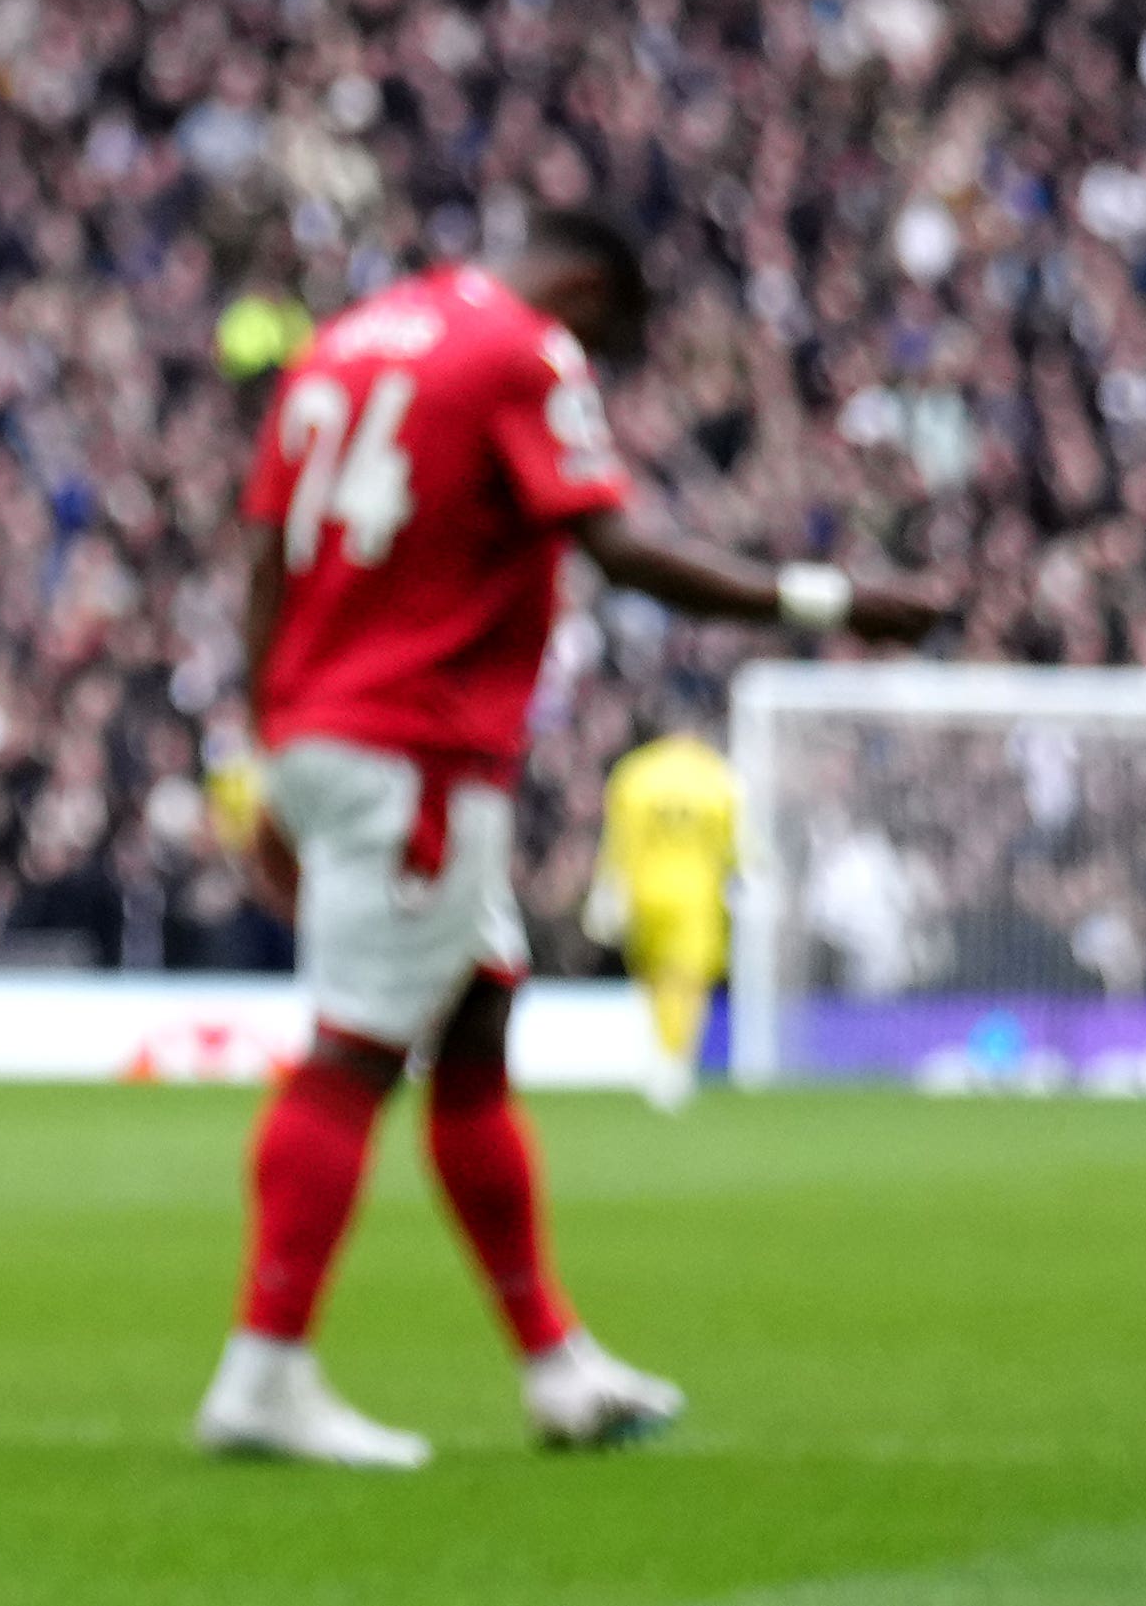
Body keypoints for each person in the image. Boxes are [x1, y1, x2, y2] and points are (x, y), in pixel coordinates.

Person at [200, 208, 943, 1471]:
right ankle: (263, 1368)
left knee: (475, 1021)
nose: (596, 364)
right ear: (590, 291)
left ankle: (554, 1363)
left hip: (328, 720)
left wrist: (273, 744)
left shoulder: (343, 340)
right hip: (411, 745)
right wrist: (828, 600)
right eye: (612, 339)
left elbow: (266, 554)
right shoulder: (518, 348)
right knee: (354, 1051)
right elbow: (620, 544)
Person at [585, 718, 740, 1113]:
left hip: (644, 892)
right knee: (688, 981)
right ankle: (674, 1061)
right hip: (696, 894)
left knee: (653, 979)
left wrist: (608, 887)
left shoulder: (636, 773)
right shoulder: (716, 774)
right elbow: (733, 842)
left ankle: (660, 1058)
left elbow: (618, 837)